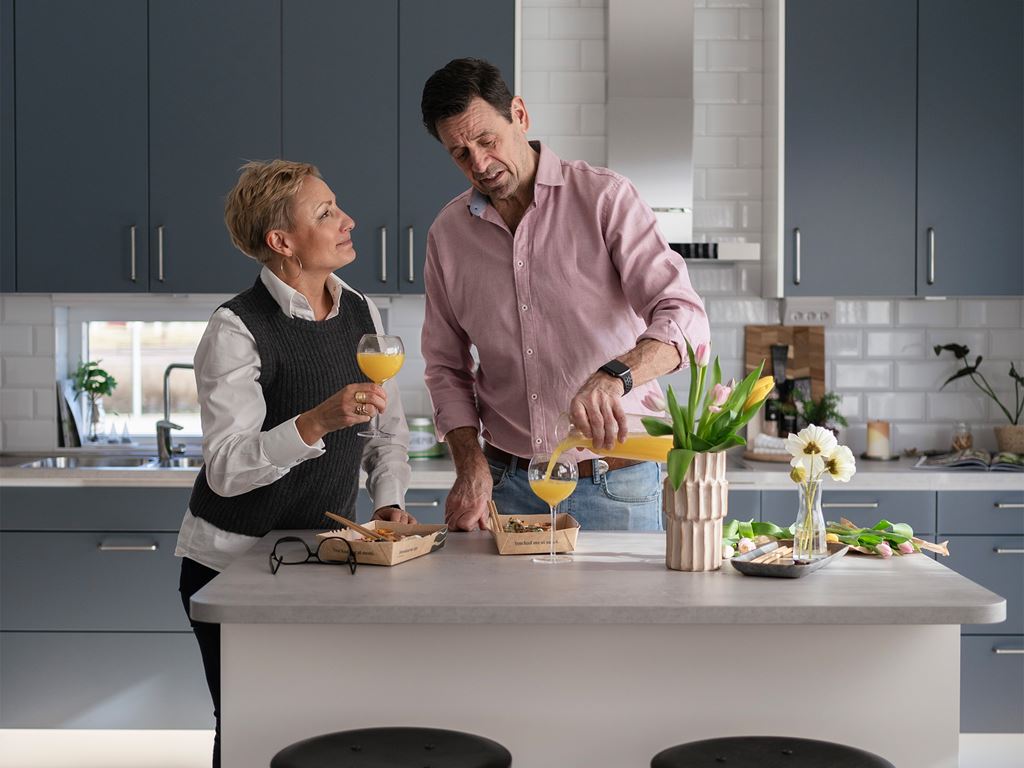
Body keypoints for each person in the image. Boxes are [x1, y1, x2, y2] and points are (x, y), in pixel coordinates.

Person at [174, 160, 414, 767]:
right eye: (326, 213)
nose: (348, 220)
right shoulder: (236, 327)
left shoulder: (360, 311)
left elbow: (385, 428)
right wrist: (315, 422)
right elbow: (227, 469)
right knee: (249, 726)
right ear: (282, 243)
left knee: (320, 723)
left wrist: (388, 500)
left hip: (322, 557)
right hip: (232, 566)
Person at [420, 58, 710, 533]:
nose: (480, 165)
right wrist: (469, 463)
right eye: (460, 153)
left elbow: (685, 319)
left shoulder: (604, 199)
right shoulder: (448, 235)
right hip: (507, 486)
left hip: (616, 486)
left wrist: (616, 376)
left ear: (519, 114)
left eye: (487, 141)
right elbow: (445, 367)